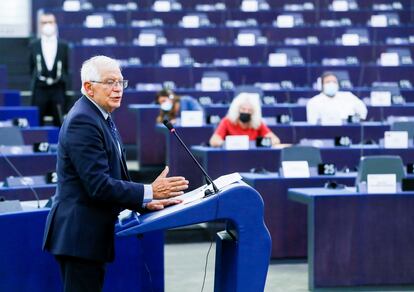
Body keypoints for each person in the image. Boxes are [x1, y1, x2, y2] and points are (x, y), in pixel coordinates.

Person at [42, 56, 189, 292]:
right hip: (79, 236)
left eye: (121, 82)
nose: (118, 88)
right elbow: (98, 185)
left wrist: (145, 202)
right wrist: (150, 191)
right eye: (110, 82)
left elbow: (116, 177)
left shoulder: (102, 116)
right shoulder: (84, 120)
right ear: (89, 87)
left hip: (88, 236)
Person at [29, 13, 69, 126]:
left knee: (61, 122)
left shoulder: (63, 45)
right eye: (44, 23)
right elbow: (31, 68)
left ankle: (61, 144)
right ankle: (37, 144)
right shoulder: (33, 45)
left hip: (58, 89)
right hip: (40, 89)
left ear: (55, 24)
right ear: (40, 25)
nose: (47, 25)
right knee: (36, 122)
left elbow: (66, 68)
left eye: (50, 22)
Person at [209, 93, 280, 147]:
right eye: (243, 109)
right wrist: (229, 143)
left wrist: (259, 143)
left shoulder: (258, 123)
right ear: (237, 109)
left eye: (249, 110)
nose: (246, 112)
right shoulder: (227, 121)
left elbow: (276, 140)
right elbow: (213, 141)